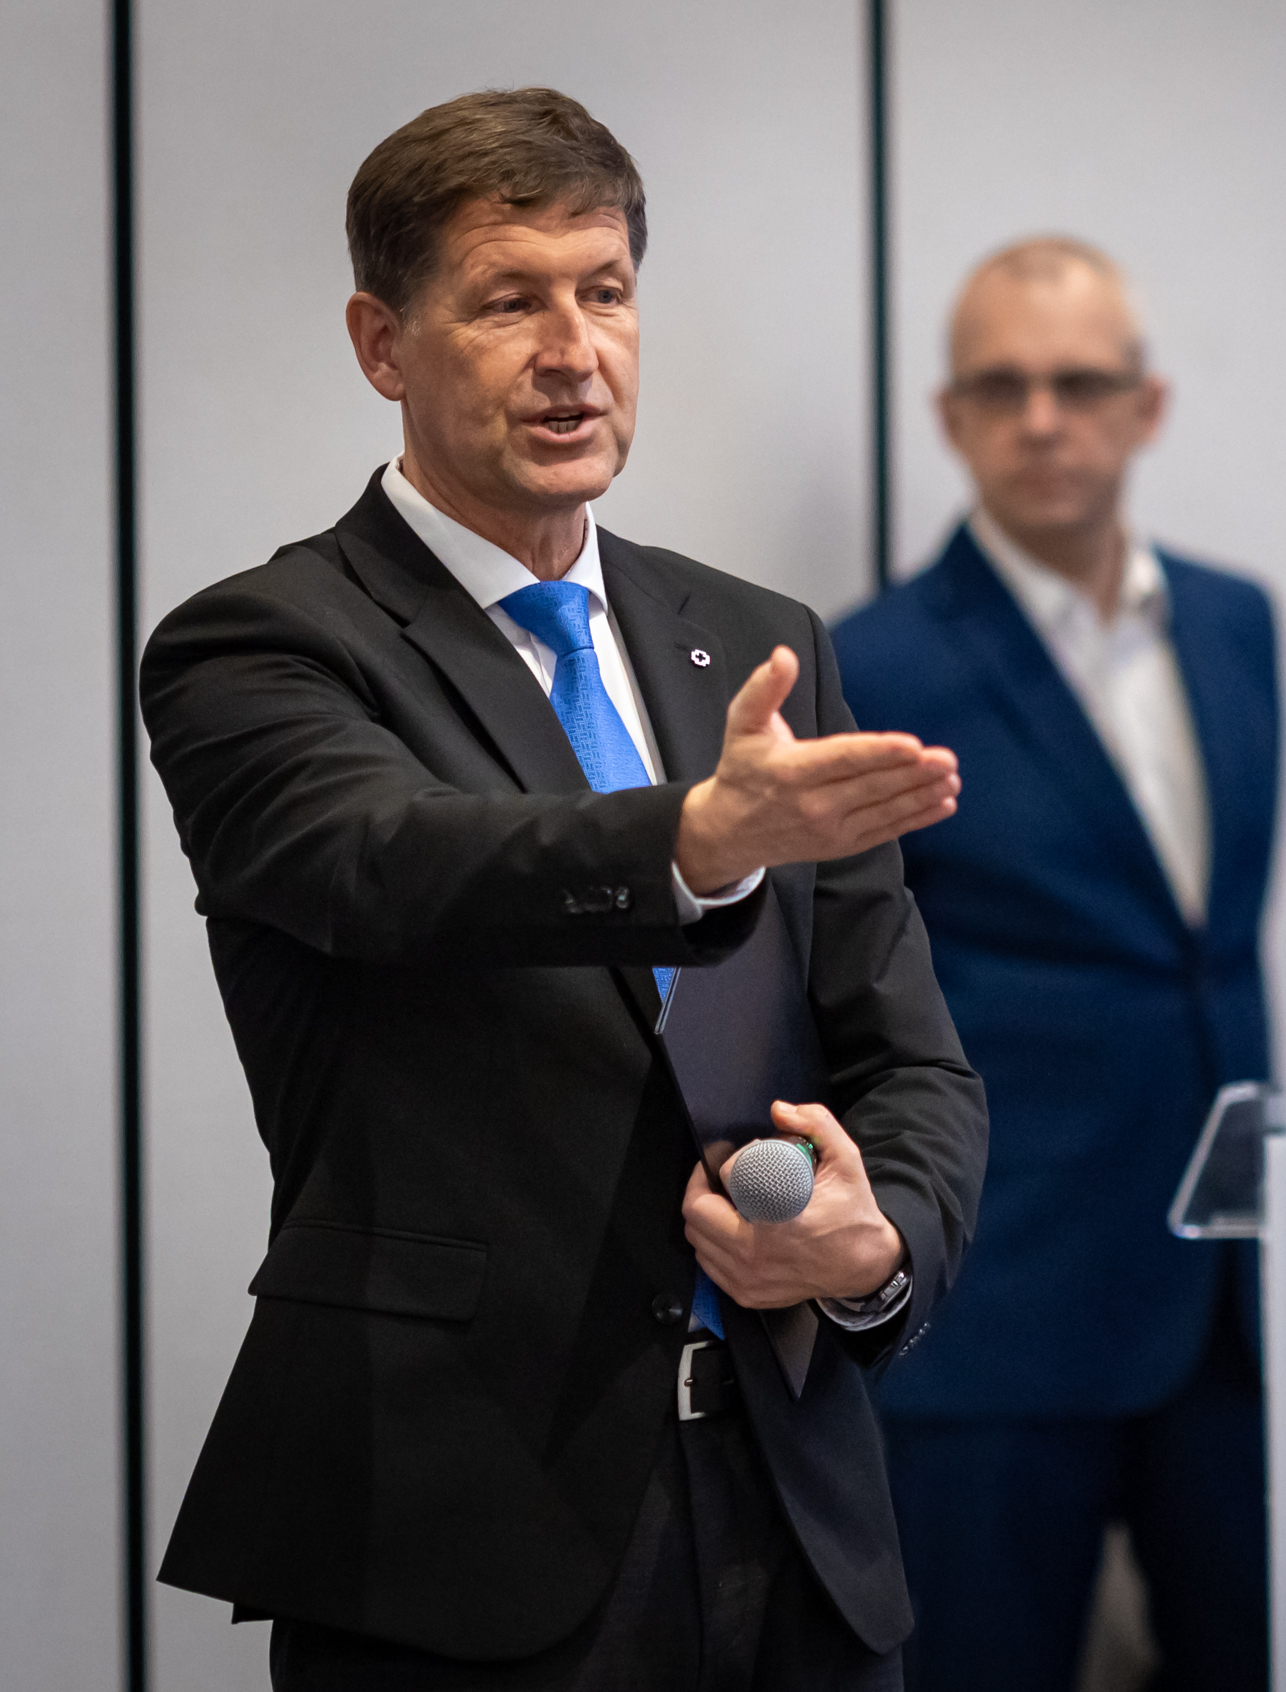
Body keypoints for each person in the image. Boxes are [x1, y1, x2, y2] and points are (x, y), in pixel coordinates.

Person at [140, 88, 988, 1691]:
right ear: (383, 345)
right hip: (458, 1535)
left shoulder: (758, 643)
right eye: (507, 301)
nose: (573, 350)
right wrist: (691, 842)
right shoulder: (261, 645)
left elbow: (910, 1061)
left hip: (797, 1520)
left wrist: (877, 1254)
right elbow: (391, 864)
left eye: (604, 291)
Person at [832, 238, 1281, 1691]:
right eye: (1001, 387)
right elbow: (845, 999)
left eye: (1080, 384)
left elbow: (1208, 957)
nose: (1042, 420)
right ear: (948, 417)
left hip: (1231, 1312)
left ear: (1146, 407)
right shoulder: (872, 668)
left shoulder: (1238, 624)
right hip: (996, 1318)